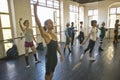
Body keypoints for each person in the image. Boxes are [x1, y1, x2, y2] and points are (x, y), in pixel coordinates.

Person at [33, 1, 63, 80]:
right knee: (47, 75)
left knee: (52, 72)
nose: (51, 24)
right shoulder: (46, 35)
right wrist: (35, 9)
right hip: (49, 58)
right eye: (50, 23)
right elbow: (38, 23)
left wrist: (61, 54)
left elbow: (57, 46)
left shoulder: (55, 35)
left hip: (55, 58)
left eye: (52, 23)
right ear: (46, 25)